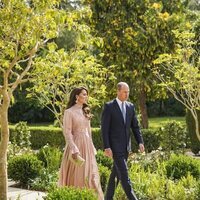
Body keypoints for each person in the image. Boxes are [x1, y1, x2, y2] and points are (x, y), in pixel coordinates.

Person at [58, 86, 104, 200]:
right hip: (76, 145)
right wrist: (74, 149)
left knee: (90, 174)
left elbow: (89, 131)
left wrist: (92, 146)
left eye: (86, 94)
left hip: (87, 146)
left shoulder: (86, 110)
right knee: (78, 174)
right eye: (84, 94)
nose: (86, 96)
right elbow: (67, 132)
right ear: (76, 96)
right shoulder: (69, 112)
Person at [101, 82, 145, 200]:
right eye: (125, 92)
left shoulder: (130, 106)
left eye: (128, 92)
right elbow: (104, 129)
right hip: (115, 148)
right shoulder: (109, 106)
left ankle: (107, 198)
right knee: (125, 177)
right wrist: (107, 147)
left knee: (115, 176)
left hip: (126, 148)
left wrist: (140, 142)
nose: (127, 94)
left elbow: (135, 126)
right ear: (118, 91)